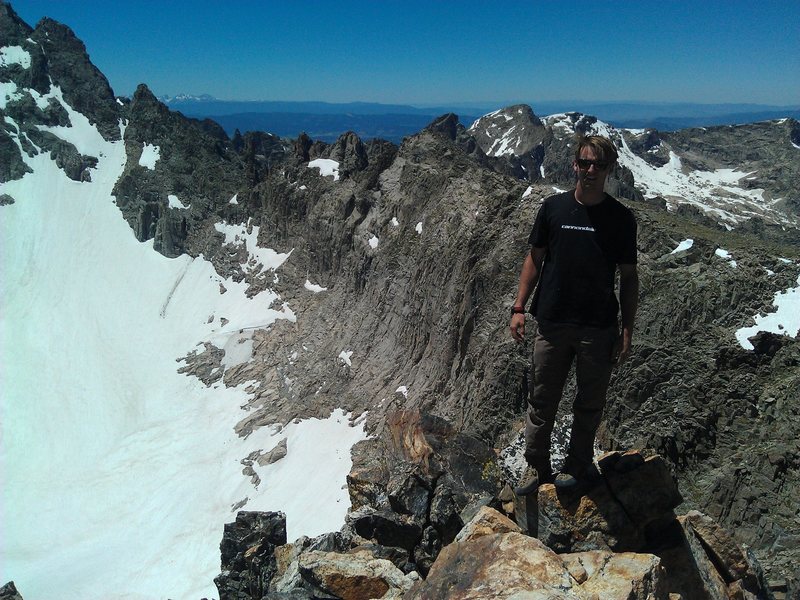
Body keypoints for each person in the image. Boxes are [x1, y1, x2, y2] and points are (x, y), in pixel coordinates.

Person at [509, 135, 638, 493]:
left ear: (609, 168)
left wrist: (627, 329)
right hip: (551, 322)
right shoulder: (552, 209)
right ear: (574, 165)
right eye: (584, 163)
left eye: (598, 164)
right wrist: (519, 307)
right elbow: (534, 258)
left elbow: (629, 278)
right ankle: (536, 468)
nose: (590, 170)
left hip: (598, 328)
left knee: (589, 403)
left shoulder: (621, 219)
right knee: (541, 401)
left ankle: (577, 464)